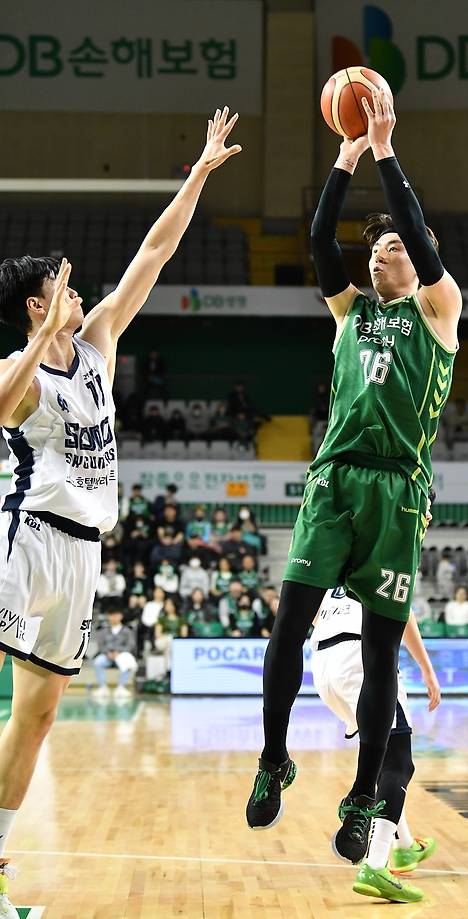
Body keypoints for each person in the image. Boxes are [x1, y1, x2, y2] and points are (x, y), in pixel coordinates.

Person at [0, 106, 242, 913]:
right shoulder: (20, 364)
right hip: (24, 535)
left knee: (35, 719)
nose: (79, 291)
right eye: (61, 287)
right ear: (40, 305)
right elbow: (2, 408)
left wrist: (200, 172)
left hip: (83, 554)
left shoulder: (99, 340)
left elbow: (154, 252)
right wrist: (33, 345)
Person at [245, 86, 462, 888]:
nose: (381, 256)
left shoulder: (441, 309)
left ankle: (367, 797)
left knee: (382, 664)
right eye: (376, 251)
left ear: (424, 255)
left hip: (398, 492)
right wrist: (344, 155)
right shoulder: (348, 312)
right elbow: (315, 238)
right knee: (286, 623)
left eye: (396, 247)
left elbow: (423, 249)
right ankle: (274, 759)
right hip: (335, 481)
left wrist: (386, 149)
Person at [311, 587, 439, 902]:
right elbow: (404, 613)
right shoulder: (390, 549)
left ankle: (405, 846)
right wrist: (427, 669)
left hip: (324, 665)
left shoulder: (340, 557)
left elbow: (313, 612)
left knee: (381, 759)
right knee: (399, 764)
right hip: (361, 659)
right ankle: (376, 863)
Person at [92, 608, 138, 700]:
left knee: (127, 662)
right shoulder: (103, 631)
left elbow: (130, 645)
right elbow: (101, 645)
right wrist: (108, 653)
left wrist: (118, 652)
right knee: (97, 662)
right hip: (107, 655)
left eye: (116, 615)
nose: (114, 618)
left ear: (121, 616)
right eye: (111, 615)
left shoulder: (127, 631)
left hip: (121, 655)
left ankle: (121, 687)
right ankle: (102, 687)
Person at [154, 597, 188, 673]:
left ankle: (170, 668)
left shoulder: (181, 619)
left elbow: (184, 635)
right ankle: (169, 668)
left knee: (172, 643)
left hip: (176, 642)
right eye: (167, 605)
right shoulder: (161, 619)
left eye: (170, 605)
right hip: (162, 641)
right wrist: (168, 637)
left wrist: (174, 639)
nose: (168, 607)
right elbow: (157, 634)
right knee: (169, 641)